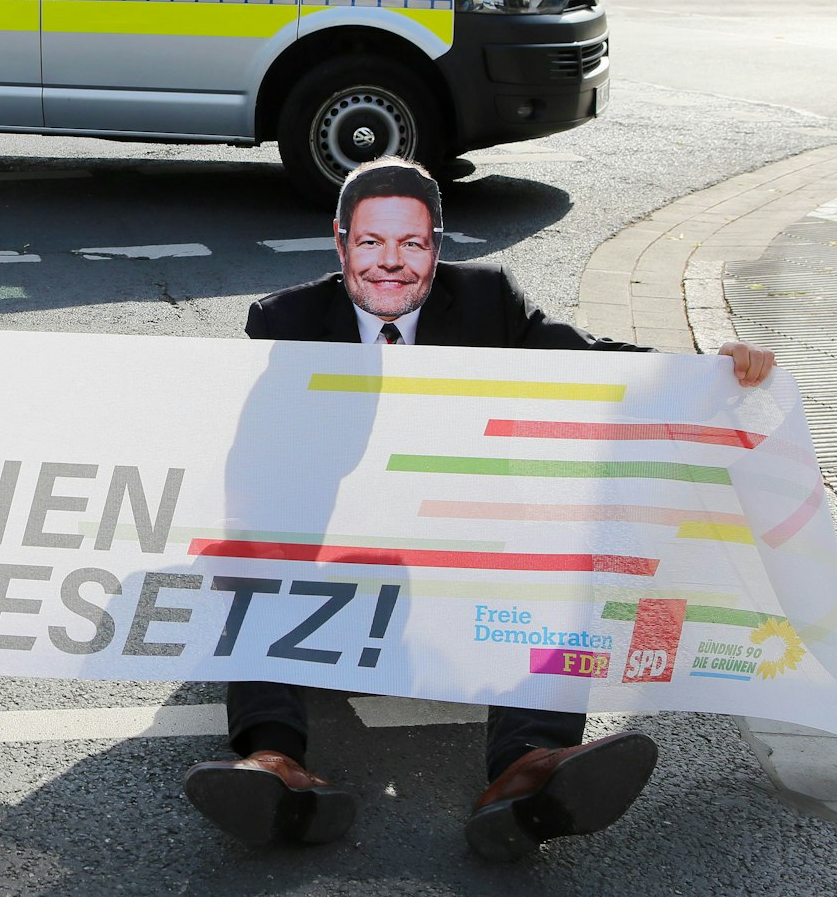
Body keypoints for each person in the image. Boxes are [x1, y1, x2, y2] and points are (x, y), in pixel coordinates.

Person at [182, 157, 777, 861]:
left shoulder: (488, 301)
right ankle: (274, 762)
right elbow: (257, 468)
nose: (391, 262)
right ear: (340, 243)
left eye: (412, 242)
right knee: (257, 552)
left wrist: (710, 373)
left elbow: (596, 363)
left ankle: (530, 768)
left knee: (556, 556)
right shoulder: (285, 323)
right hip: (342, 568)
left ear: (437, 246)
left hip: (458, 562)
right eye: (371, 241)